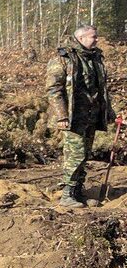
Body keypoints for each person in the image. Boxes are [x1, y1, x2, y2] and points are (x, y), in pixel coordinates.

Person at [46, 25, 116, 207]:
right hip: (72, 117)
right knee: (74, 155)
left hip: (91, 116)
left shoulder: (95, 58)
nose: (97, 39)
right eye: (93, 36)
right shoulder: (64, 59)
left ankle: (78, 192)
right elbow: (54, 89)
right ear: (81, 38)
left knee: (84, 155)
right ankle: (67, 195)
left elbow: (102, 89)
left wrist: (109, 111)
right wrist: (61, 116)